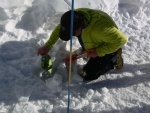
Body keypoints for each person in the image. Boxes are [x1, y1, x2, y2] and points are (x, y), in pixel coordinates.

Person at [37, 8, 127, 81]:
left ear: (80, 26)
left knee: (86, 75)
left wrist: (98, 51)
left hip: (108, 44)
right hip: (92, 37)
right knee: (81, 35)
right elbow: (61, 28)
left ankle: (114, 58)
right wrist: (48, 45)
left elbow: (121, 40)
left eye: (73, 33)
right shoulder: (76, 17)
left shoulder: (101, 29)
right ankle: (86, 48)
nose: (72, 36)